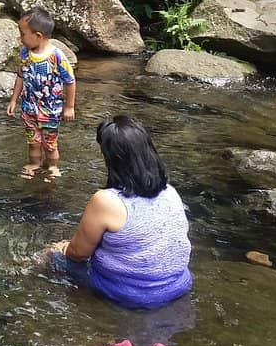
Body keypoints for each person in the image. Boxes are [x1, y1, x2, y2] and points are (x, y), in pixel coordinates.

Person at [49, 115, 193, 310]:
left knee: (53, 254)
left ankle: (20, 269)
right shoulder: (170, 192)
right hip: (179, 284)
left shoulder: (106, 201)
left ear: (113, 159)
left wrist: (62, 247)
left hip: (133, 294)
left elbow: (78, 254)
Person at [6, 6, 76, 179]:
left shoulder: (57, 57)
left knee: (50, 144)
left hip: (50, 111)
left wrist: (69, 107)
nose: (20, 38)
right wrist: (14, 100)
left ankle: (52, 166)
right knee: (33, 142)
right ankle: (35, 164)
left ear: (38, 35)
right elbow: (20, 76)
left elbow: (70, 81)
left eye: (23, 34)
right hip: (29, 109)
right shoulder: (25, 54)